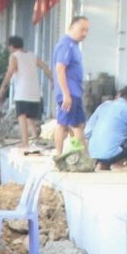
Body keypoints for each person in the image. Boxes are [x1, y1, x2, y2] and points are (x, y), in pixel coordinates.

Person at [0, 35, 51, 152]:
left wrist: (3, 86)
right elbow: (45, 67)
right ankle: (35, 137)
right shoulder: (32, 55)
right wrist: (52, 80)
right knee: (30, 117)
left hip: (22, 92)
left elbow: (10, 72)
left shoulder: (14, 56)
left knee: (22, 116)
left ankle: (25, 141)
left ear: (11, 46)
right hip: (35, 92)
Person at [85, 85, 127, 171]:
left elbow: (87, 132)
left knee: (120, 137)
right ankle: (118, 163)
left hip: (94, 153)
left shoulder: (104, 105)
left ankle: (103, 164)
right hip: (112, 153)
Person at [50, 17, 90, 157]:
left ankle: (78, 155)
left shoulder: (74, 46)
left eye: (87, 30)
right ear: (72, 27)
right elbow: (60, 68)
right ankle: (59, 155)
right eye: (82, 29)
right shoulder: (66, 45)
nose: (84, 33)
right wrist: (66, 94)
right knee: (64, 124)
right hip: (69, 92)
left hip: (75, 92)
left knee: (78, 125)